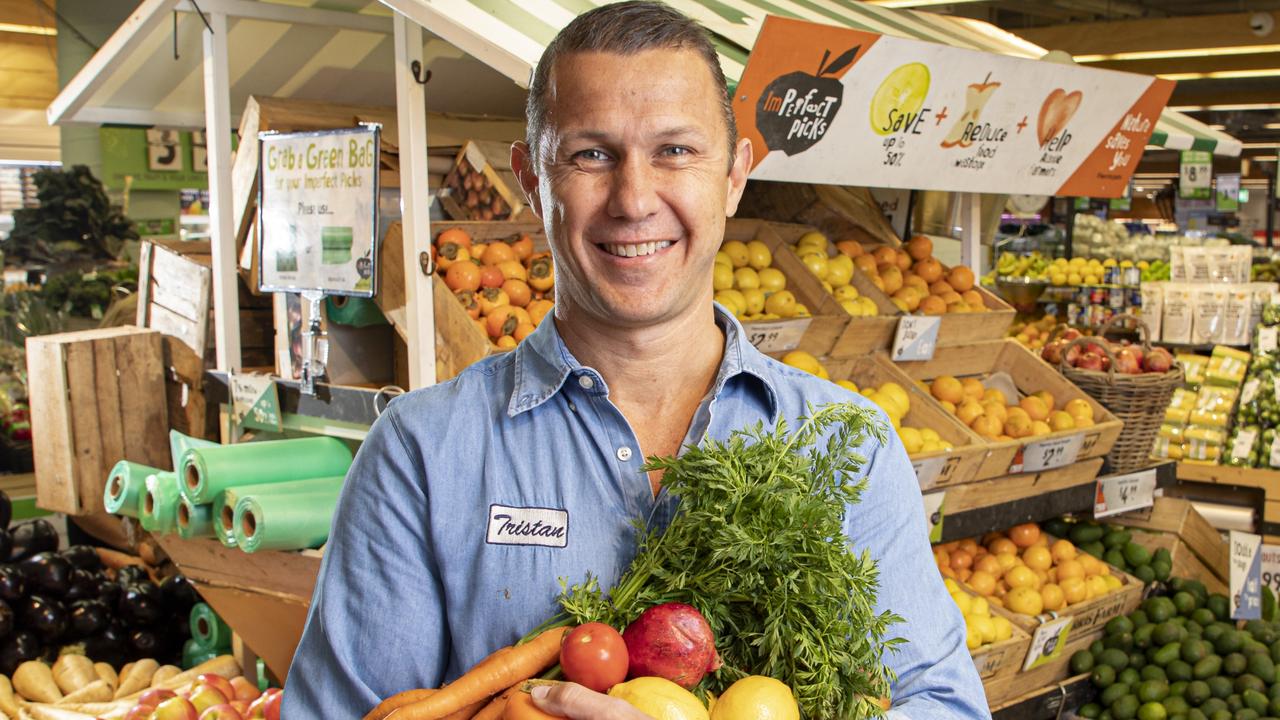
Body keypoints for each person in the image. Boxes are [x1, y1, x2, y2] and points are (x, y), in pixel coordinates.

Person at [284, 2, 989, 718]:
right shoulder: (423, 452)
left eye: (675, 151)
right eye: (591, 154)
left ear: (735, 174)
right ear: (532, 179)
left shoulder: (848, 444)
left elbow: (944, 705)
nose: (633, 199)